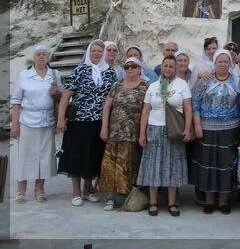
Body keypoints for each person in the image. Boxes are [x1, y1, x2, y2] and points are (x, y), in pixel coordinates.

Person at [56, 39, 117, 206]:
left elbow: (111, 98)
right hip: (79, 121)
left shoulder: (110, 72)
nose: (96, 54)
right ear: (89, 53)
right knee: (76, 155)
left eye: (99, 51)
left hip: (99, 121)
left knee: (93, 155)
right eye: (94, 51)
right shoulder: (80, 70)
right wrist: (61, 119)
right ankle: (76, 192)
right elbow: (66, 96)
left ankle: (88, 189)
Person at [137, 55, 192, 216]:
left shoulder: (181, 84)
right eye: (165, 66)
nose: (168, 69)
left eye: (171, 66)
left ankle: (172, 203)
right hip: (154, 129)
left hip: (174, 131)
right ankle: (153, 202)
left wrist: (187, 129)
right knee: (153, 165)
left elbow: (188, 108)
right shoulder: (153, 86)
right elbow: (146, 110)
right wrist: (142, 133)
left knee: (172, 165)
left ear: (175, 68)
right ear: (161, 67)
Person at [190, 49, 240, 214]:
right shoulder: (205, 80)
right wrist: (197, 125)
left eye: (226, 61)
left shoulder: (236, 81)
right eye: (220, 61)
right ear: (215, 63)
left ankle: (224, 201)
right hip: (208, 128)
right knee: (209, 164)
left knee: (225, 164)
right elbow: (195, 102)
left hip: (230, 129)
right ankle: (209, 200)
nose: (223, 64)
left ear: (230, 64)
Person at [10, 44, 61, 203]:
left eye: (44, 54)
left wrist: (57, 93)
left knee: (44, 156)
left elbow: (62, 96)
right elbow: (16, 101)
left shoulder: (54, 74)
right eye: (38, 54)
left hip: (47, 121)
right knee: (25, 155)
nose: (41, 57)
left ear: (48, 57)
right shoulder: (24, 75)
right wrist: (15, 124)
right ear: (34, 57)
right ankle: (21, 189)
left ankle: (40, 188)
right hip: (28, 121)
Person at [98, 56, 149, 210]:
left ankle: (126, 195)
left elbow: (147, 110)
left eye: (133, 66)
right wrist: (104, 127)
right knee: (110, 164)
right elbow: (107, 106)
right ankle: (111, 197)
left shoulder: (146, 86)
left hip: (132, 133)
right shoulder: (117, 85)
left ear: (140, 68)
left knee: (127, 165)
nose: (130, 69)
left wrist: (143, 133)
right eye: (127, 67)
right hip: (114, 131)